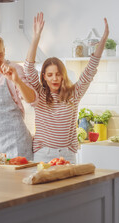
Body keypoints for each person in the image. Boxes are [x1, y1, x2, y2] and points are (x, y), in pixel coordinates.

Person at [23, 12, 109, 162]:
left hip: (68, 154)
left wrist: (103, 40)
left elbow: (90, 70)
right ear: (43, 76)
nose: (54, 78)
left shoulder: (73, 94)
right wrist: (36, 37)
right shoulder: (39, 93)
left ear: (63, 75)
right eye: (50, 75)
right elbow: (28, 69)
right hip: (43, 153)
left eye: (58, 74)